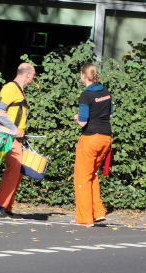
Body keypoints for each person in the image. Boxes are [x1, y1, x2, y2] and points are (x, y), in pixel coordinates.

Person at [71, 62, 113, 227]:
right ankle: (98, 212)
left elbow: (83, 122)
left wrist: (77, 117)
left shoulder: (86, 95)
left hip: (90, 138)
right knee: (92, 175)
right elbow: (109, 115)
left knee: (82, 177)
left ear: (83, 75)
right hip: (106, 138)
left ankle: (84, 218)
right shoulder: (105, 91)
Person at [0, 63, 36, 217]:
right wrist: (14, 129)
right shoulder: (11, 88)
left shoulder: (19, 90)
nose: (34, 78)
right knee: (13, 169)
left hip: (14, 136)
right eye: (33, 75)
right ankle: (1, 205)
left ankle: (6, 206)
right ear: (27, 74)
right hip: (8, 136)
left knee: (16, 172)